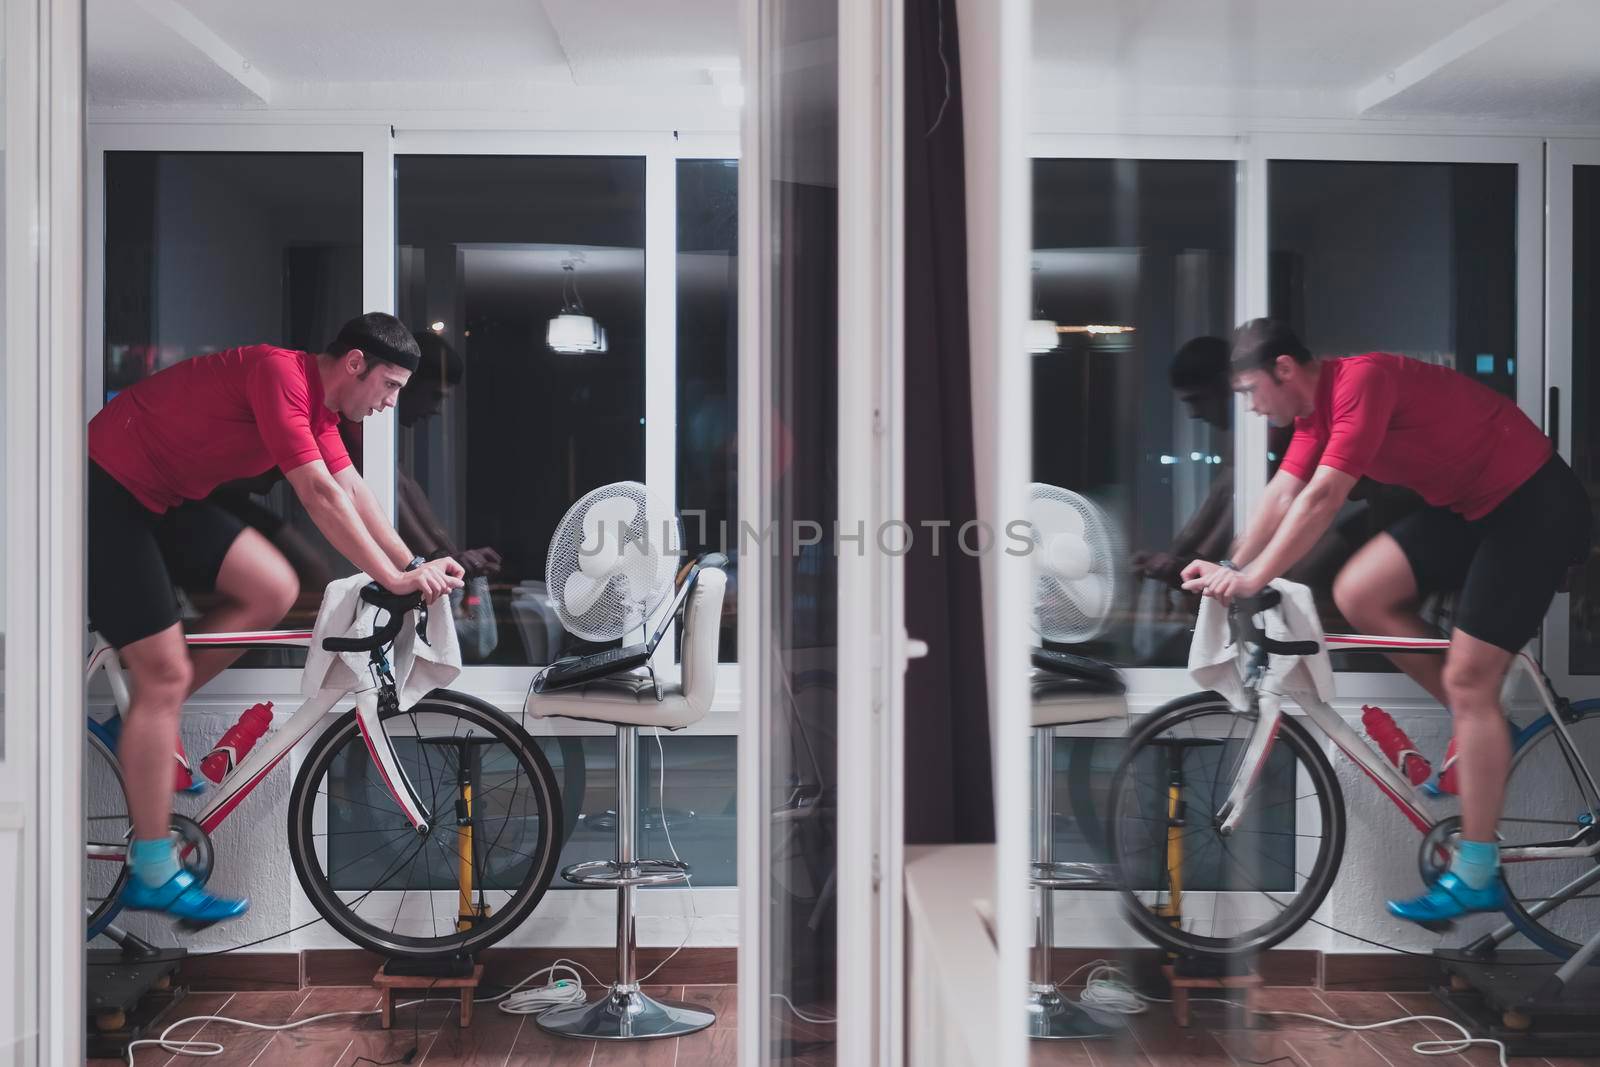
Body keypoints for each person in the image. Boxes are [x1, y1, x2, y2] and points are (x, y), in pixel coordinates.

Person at [1181, 319, 1592, 924]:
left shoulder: (1361, 383)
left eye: (1250, 390)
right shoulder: (1311, 414)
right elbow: (1282, 495)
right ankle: (1480, 722)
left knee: (1470, 682)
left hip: (1534, 505)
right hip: (1475, 507)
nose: (1248, 405)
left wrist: (1250, 578)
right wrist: (1230, 567)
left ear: (1285, 370)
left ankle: (1477, 870)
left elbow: (1322, 499)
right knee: (1360, 590)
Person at [88, 313, 465, 925]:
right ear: (354, 365)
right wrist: (394, 580)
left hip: (163, 497)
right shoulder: (278, 374)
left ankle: (132, 726)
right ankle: (152, 870)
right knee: (158, 678)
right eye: (390, 385)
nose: (393, 402)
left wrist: (415, 565)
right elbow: (317, 494)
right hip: (105, 489)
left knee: (272, 585)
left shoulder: (323, 411)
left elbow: (353, 491)